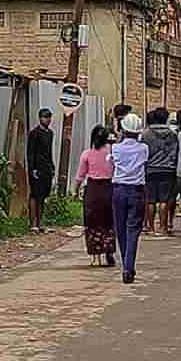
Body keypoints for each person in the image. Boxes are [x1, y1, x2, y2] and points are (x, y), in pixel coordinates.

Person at [111, 113, 149, 284]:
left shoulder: (115, 148)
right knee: (133, 230)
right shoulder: (143, 148)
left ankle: (126, 265)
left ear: (123, 130)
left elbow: (111, 163)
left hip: (119, 190)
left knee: (121, 229)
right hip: (137, 191)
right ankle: (128, 266)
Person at [74, 125, 116, 267]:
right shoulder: (112, 153)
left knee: (92, 223)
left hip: (93, 190)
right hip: (108, 189)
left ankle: (95, 254)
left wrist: (75, 191)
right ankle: (109, 250)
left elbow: (80, 176)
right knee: (108, 222)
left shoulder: (87, 154)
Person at [142, 107, 179, 235]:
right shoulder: (172, 134)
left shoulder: (145, 134)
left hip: (150, 170)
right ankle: (163, 227)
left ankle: (151, 227)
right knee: (164, 200)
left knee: (150, 200)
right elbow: (175, 152)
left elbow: (144, 153)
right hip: (168, 170)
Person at [27, 108, 57, 233]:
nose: (47, 120)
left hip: (46, 168)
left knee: (44, 195)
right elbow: (30, 152)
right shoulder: (34, 133)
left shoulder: (50, 133)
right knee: (35, 195)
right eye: (45, 117)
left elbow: (49, 151)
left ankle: (40, 222)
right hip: (36, 168)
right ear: (40, 118)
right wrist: (32, 168)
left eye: (49, 117)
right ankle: (33, 223)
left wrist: (52, 165)